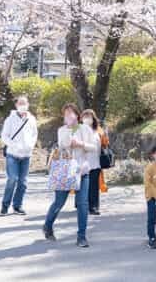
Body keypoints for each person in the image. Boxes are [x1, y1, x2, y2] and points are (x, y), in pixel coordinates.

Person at [43, 103, 94, 247]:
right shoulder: (62, 130)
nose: (69, 116)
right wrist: (70, 132)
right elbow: (63, 145)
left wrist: (81, 144)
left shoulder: (85, 129)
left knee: (83, 204)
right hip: (66, 171)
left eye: (71, 113)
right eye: (66, 114)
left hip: (83, 171)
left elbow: (94, 147)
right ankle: (48, 225)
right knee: (59, 202)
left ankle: (81, 236)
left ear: (77, 115)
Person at [0, 96, 38, 215]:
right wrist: (14, 145)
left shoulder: (31, 119)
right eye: (20, 103)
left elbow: (34, 134)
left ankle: (17, 205)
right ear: (16, 105)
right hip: (13, 154)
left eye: (25, 103)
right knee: (12, 179)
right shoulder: (10, 119)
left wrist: (31, 145)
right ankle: (5, 205)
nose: (23, 105)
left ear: (28, 104)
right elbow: (4, 136)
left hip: (26, 155)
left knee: (23, 182)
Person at [80, 109, 103, 215]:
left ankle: (94, 207)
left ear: (93, 119)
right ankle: (82, 204)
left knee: (94, 186)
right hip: (82, 163)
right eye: (85, 117)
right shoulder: (78, 129)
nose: (87, 119)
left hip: (95, 162)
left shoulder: (98, 130)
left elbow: (101, 145)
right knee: (83, 186)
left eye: (89, 117)